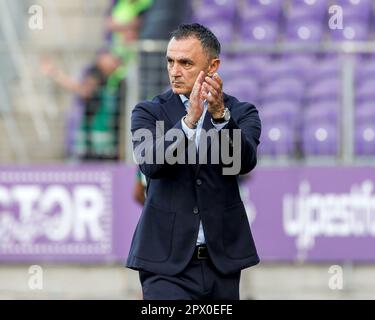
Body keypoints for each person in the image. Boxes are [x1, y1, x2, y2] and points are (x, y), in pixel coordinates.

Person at [126, 23, 261, 300]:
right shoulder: (148, 112)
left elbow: (242, 163)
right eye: (170, 61)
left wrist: (221, 116)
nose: (175, 71)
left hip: (221, 264)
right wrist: (188, 123)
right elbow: (150, 164)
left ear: (213, 67)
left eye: (185, 63)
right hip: (165, 265)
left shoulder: (240, 112)